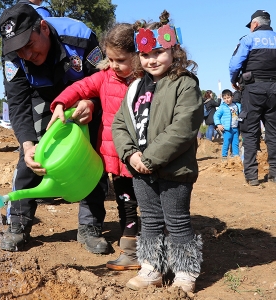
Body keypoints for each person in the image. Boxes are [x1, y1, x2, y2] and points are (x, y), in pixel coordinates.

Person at [0, 3, 109, 254]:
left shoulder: (79, 37)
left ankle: (90, 225)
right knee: (32, 156)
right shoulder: (13, 55)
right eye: (18, 49)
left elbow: (106, 82)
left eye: (29, 45)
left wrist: (91, 103)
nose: (25, 54)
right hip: (43, 95)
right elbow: (17, 104)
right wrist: (27, 144)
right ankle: (18, 224)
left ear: (44, 28)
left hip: (83, 95)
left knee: (93, 150)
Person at [112, 11, 203, 293]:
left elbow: (183, 127)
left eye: (158, 52)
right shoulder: (135, 87)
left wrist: (150, 158)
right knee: (150, 220)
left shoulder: (185, 83)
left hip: (174, 170)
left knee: (177, 221)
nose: (151, 59)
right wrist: (131, 155)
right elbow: (120, 123)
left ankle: (185, 272)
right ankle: (151, 268)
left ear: (174, 50)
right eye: (145, 53)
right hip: (140, 169)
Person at [47, 23, 143, 270]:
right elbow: (79, 87)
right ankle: (132, 252)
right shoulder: (104, 78)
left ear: (138, 56)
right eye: (109, 59)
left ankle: (155, 248)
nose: (113, 65)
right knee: (126, 204)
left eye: (120, 60)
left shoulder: (146, 82)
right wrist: (60, 104)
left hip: (144, 158)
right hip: (118, 159)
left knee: (152, 204)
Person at [229, 9, 276, 187]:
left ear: (255, 24)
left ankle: (252, 176)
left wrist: (234, 81)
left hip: (253, 90)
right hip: (275, 90)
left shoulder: (248, 39)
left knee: (249, 132)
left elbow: (235, 64)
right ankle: (274, 174)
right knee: (274, 133)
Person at [213, 89, 242, 161]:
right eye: (225, 98)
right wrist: (218, 124)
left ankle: (236, 156)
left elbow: (241, 114)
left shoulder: (237, 105)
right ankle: (224, 157)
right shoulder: (222, 107)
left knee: (235, 142)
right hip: (227, 129)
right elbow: (216, 116)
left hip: (235, 128)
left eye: (228, 98)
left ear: (232, 97)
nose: (227, 100)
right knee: (226, 142)